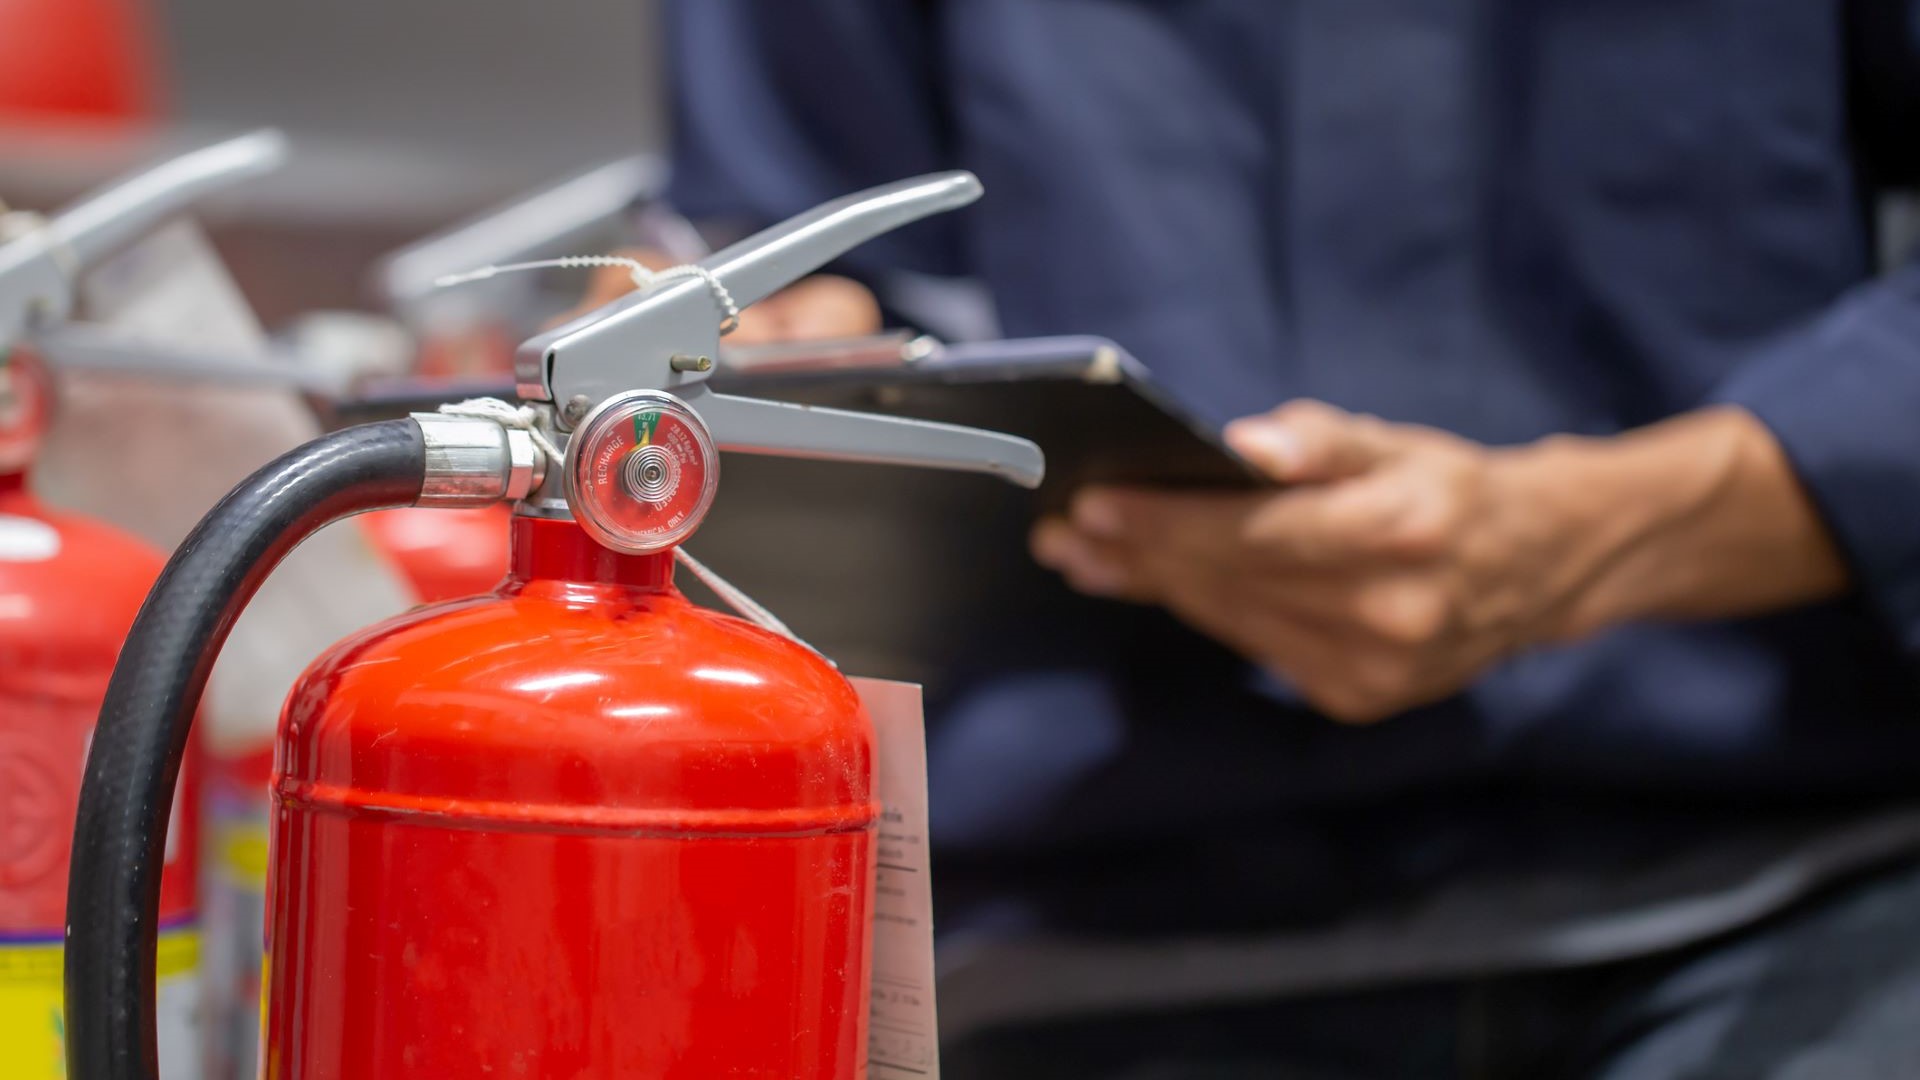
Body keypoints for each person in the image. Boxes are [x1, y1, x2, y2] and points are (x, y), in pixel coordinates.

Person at [626, 2, 1920, 1075]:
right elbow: (790, 229)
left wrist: (1611, 533)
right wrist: (777, 345)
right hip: (1097, 926)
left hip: (1784, 879)